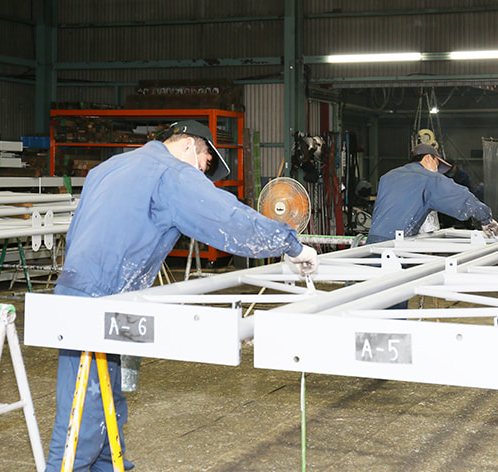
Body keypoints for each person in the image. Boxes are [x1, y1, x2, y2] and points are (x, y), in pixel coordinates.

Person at [45, 120, 318, 471]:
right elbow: (226, 218)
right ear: (190, 146)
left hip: (79, 293)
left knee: (105, 407)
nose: (201, 175)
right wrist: (291, 245)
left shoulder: (110, 167)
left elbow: (79, 231)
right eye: (205, 164)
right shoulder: (170, 173)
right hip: (101, 299)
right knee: (83, 420)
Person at [367, 144, 498, 244]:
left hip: (372, 241)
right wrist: (485, 218)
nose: (437, 171)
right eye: (437, 164)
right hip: (396, 245)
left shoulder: (388, 177)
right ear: (428, 158)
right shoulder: (428, 178)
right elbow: (459, 197)